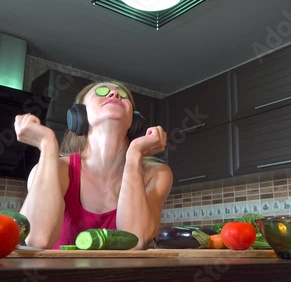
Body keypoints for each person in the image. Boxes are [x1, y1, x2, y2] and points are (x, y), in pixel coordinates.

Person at [14, 80, 173, 250]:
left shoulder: (157, 174)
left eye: (123, 95)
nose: (114, 94)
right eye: (102, 92)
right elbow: (38, 239)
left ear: (135, 121)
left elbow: (136, 241)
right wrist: (47, 145)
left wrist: (135, 154)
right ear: (79, 114)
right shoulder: (56, 170)